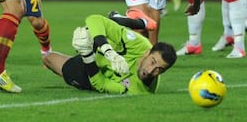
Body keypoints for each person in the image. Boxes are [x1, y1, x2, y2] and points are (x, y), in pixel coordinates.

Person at [43, 13, 177, 95]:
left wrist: (87, 55)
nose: (150, 70)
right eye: (152, 62)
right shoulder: (140, 44)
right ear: (147, 53)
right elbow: (94, 19)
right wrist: (107, 50)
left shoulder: (139, 91)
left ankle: (132, 21)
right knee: (105, 25)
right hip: (103, 50)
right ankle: (138, 22)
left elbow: (100, 84)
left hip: (92, 71)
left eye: (159, 70)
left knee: (48, 59)